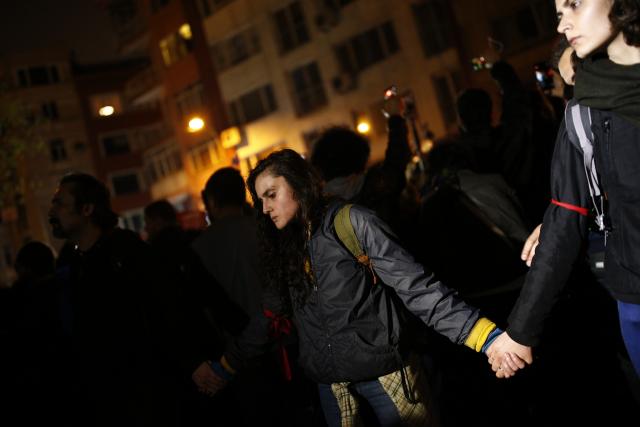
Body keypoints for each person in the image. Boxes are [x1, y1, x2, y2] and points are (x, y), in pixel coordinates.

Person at [203, 149, 503, 426]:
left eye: (271, 194)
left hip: (387, 377)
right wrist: (225, 366)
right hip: (333, 389)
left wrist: (485, 337)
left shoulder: (351, 221)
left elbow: (416, 287)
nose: (265, 208)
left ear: (299, 184)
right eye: (260, 201)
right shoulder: (286, 247)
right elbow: (269, 316)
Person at [488, 0, 640, 379]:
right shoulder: (584, 110)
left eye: (575, 4)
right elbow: (565, 215)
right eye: (558, 14)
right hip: (632, 294)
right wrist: (521, 331)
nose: (562, 24)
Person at [48, 172, 179, 426]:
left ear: (87, 209)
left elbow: (166, 309)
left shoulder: (126, 251)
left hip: (145, 394)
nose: (52, 211)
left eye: (60, 203)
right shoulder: (72, 263)